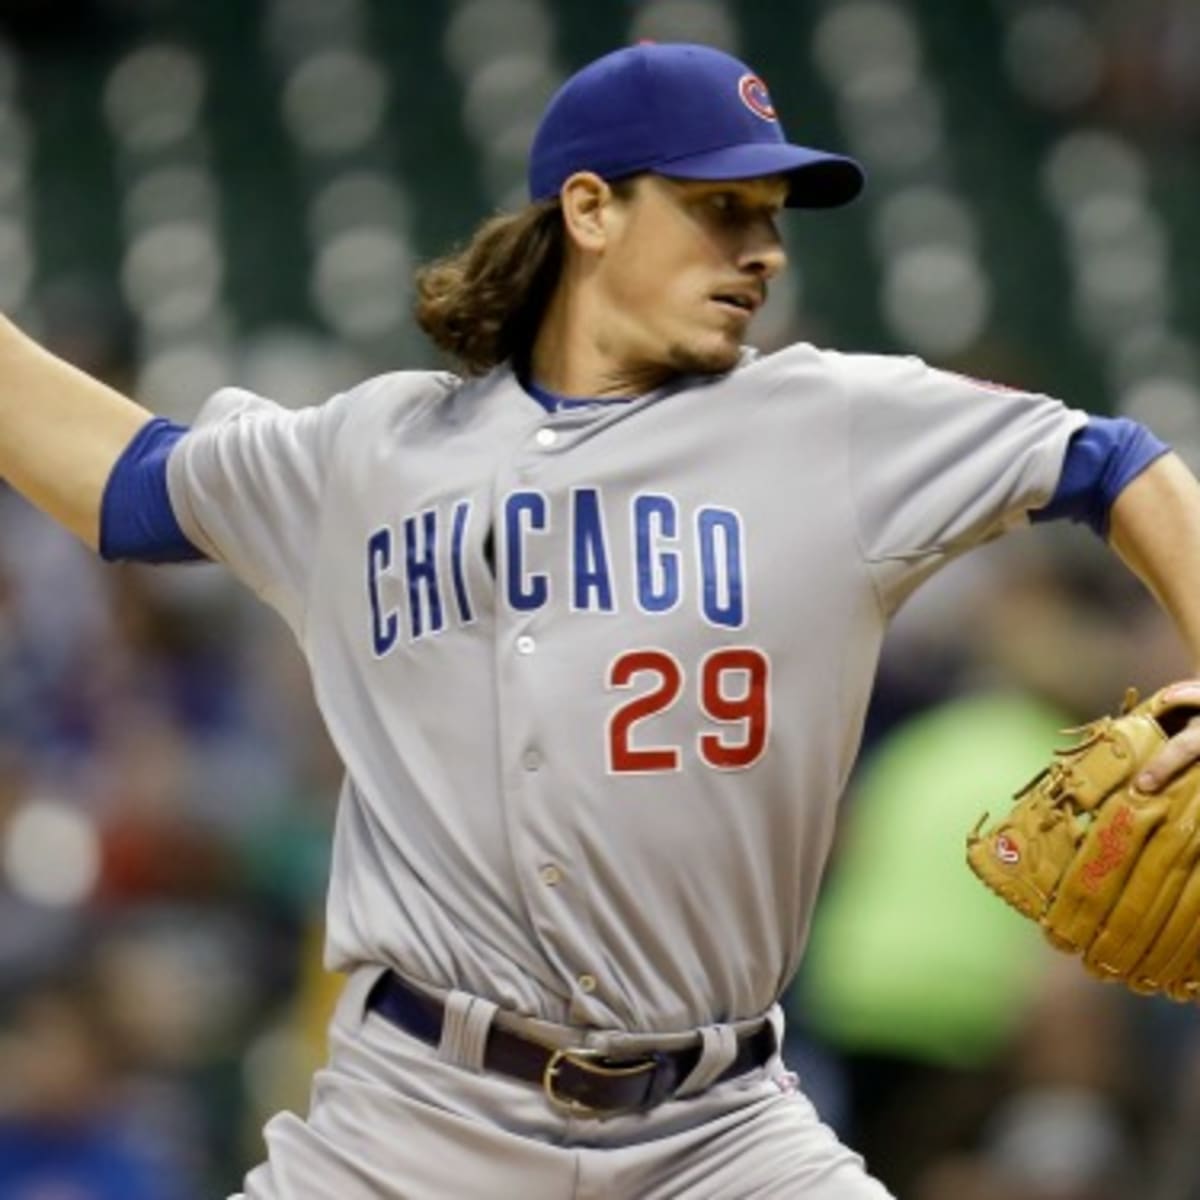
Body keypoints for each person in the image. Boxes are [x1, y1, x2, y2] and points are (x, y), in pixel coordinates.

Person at [2, 40, 1200, 1200]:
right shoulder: (370, 453)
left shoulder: (831, 422)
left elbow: (1117, 463)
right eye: (720, 209)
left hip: (721, 1129)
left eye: (771, 215)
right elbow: (124, 478)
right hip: (414, 1120)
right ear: (590, 209)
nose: (764, 251)